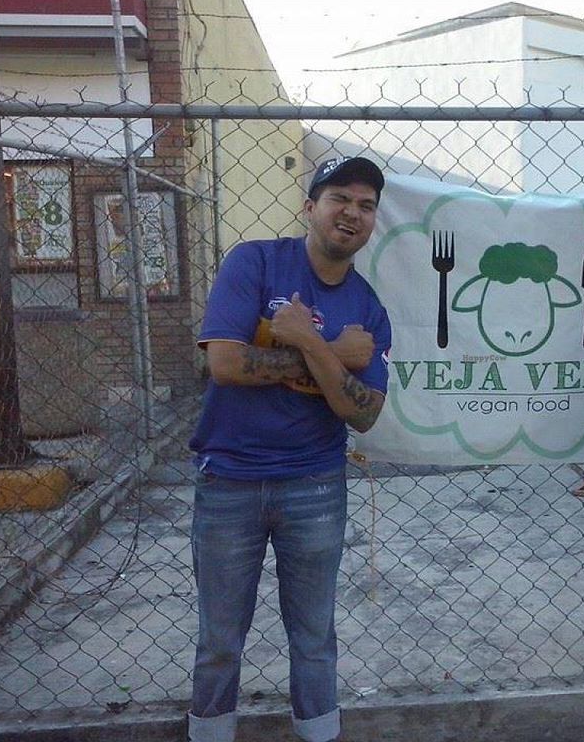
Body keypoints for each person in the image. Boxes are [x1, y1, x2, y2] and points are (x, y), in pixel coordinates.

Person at [187, 156, 391, 742]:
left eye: (366, 205)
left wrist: (305, 339)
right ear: (309, 207)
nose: (352, 213)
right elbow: (225, 364)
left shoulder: (368, 307)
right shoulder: (254, 262)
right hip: (229, 480)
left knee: (314, 638)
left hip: (315, 486)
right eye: (339, 198)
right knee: (220, 639)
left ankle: (319, 732)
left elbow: (364, 413)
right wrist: (333, 355)